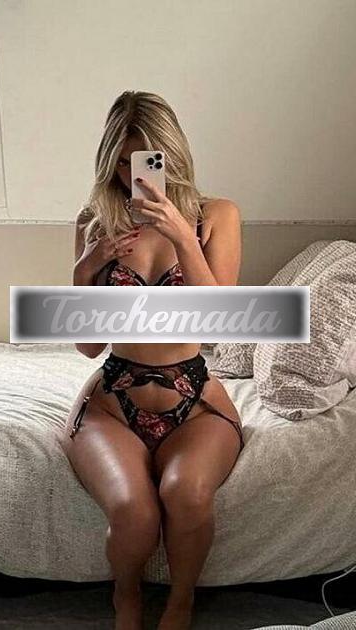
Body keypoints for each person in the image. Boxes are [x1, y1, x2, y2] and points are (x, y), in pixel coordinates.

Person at [58, 90, 244, 630]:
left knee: (186, 494)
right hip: (113, 400)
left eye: (143, 161)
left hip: (194, 397)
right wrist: (86, 268)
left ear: (170, 154)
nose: (130, 175)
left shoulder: (217, 216)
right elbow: (89, 346)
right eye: (120, 162)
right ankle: (127, 597)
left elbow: (217, 326)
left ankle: (181, 602)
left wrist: (183, 236)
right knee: (133, 512)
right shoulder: (95, 221)